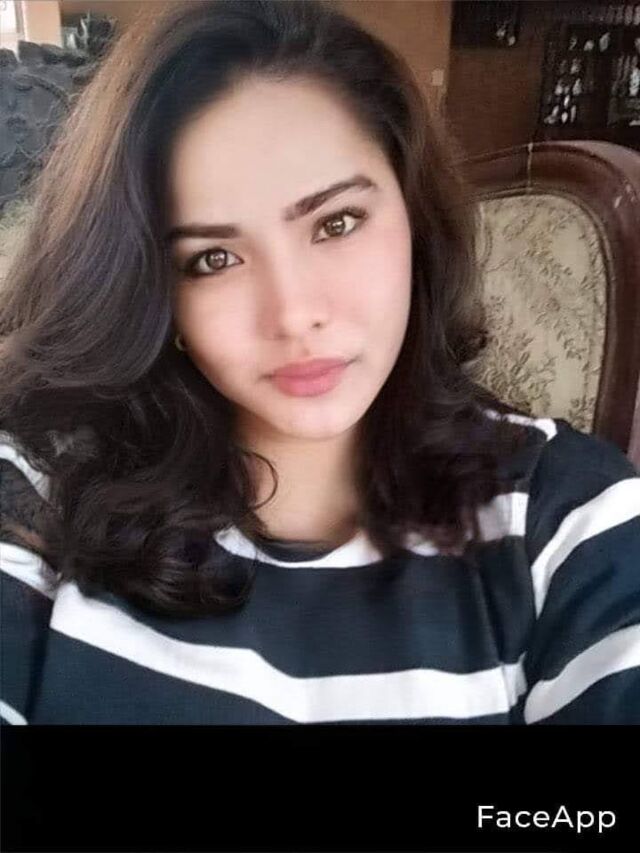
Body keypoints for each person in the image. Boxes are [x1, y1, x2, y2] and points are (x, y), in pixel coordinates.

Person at [0, 0, 638, 725]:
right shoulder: (38, 492)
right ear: (156, 290)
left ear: (415, 214)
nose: (294, 313)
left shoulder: (570, 521)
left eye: (336, 222)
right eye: (214, 258)